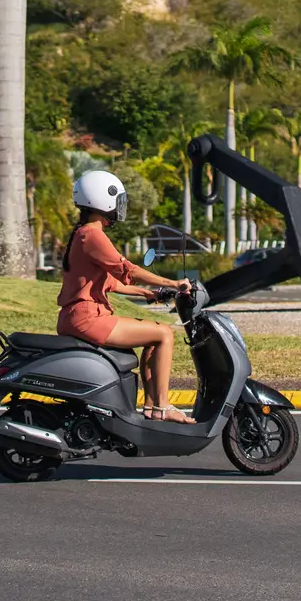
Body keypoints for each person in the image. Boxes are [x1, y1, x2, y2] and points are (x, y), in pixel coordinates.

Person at [56, 170, 193, 423]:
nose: (120, 207)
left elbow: (113, 284)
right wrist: (173, 282)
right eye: (118, 200)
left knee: (154, 338)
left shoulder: (82, 234)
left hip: (79, 317)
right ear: (102, 199)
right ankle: (163, 405)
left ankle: (152, 408)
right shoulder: (92, 235)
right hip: (88, 319)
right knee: (164, 333)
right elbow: (128, 269)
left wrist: (152, 294)